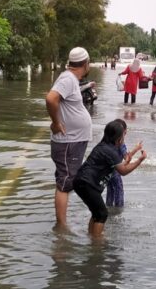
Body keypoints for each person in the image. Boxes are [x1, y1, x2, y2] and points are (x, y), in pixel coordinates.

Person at [45, 47, 92, 229]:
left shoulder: (71, 79)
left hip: (73, 141)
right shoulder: (67, 78)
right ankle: (62, 227)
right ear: (85, 63)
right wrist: (56, 123)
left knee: (67, 180)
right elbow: (51, 99)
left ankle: (62, 224)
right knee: (64, 182)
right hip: (67, 142)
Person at [73, 119, 146, 236]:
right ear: (118, 138)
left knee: (97, 213)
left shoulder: (103, 146)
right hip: (88, 184)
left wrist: (133, 156)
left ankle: (92, 236)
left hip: (81, 182)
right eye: (123, 135)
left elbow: (121, 165)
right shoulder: (111, 151)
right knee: (102, 214)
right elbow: (123, 171)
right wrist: (140, 160)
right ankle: (97, 244)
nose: (124, 138)